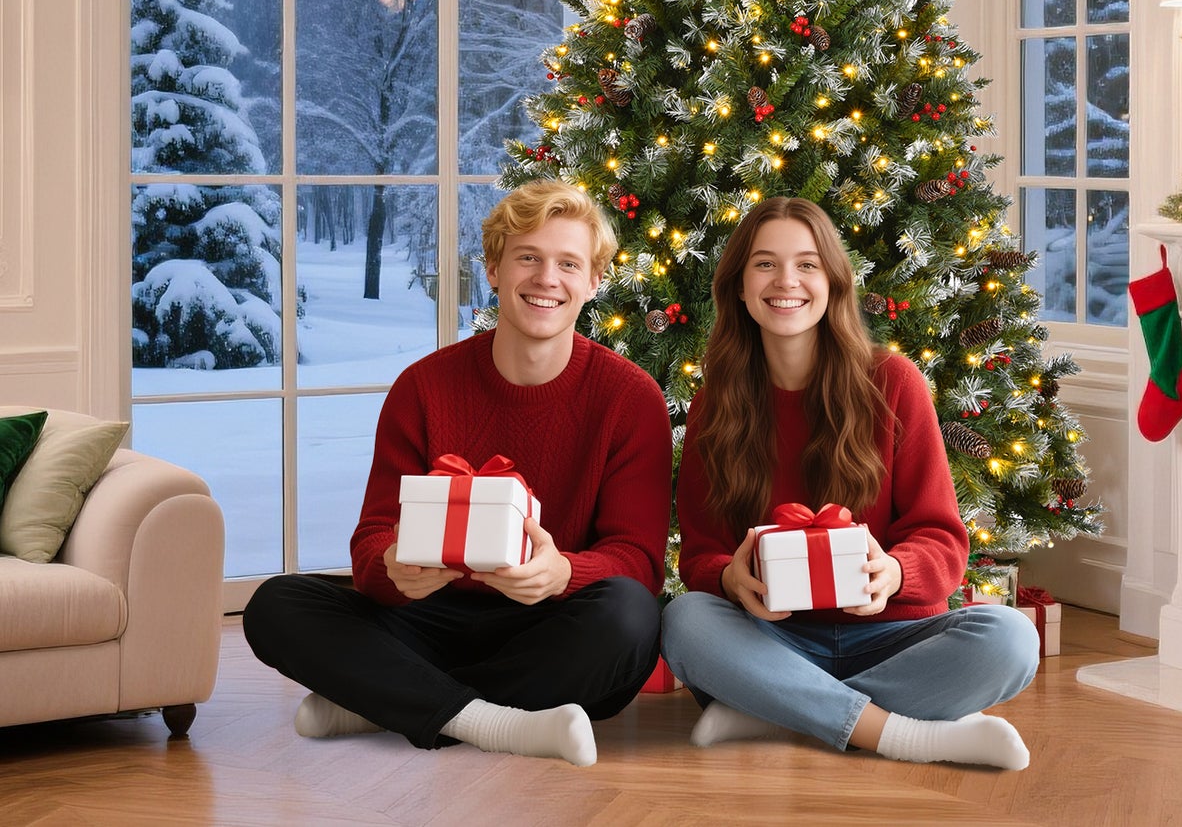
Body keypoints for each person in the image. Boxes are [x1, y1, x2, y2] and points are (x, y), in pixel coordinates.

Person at [244, 179, 673, 767]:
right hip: (428, 617)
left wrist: (563, 572)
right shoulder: (424, 387)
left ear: (593, 282)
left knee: (630, 616)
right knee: (277, 604)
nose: (547, 279)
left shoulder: (630, 397)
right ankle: (496, 723)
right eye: (528, 257)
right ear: (494, 269)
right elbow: (372, 540)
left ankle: (383, 701)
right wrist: (394, 567)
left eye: (568, 263)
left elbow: (640, 561)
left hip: (550, 627)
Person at [660, 196, 1039, 769]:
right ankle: (902, 733)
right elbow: (701, 554)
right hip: (775, 641)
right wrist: (730, 578)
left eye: (807, 264)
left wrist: (895, 572)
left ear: (834, 283)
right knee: (684, 622)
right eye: (764, 264)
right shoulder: (717, 401)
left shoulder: (892, 381)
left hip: (891, 636)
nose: (786, 280)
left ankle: (775, 711)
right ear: (738, 286)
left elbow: (941, 537)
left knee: (1010, 638)